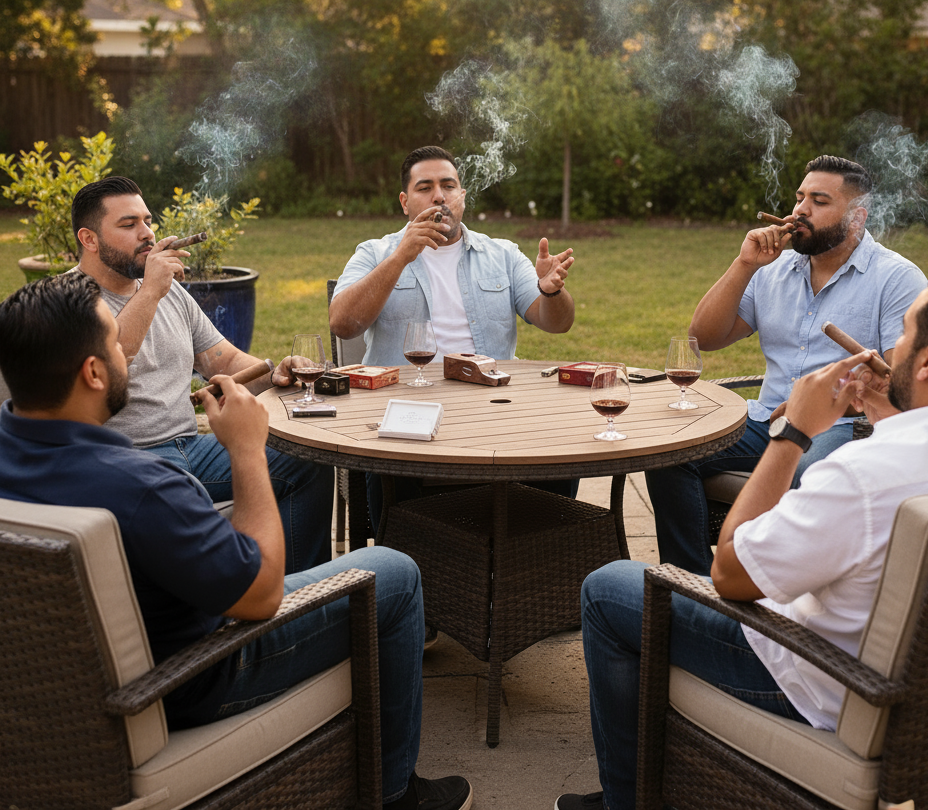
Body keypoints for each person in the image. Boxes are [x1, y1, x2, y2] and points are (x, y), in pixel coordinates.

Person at [557, 264, 928, 810]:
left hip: (829, 684)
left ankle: (628, 800)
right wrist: (892, 410)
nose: (891, 349)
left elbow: (730, 576)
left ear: (927, 361)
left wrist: (793, 433)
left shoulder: (863, 475)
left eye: (902, 334)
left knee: (610, 586)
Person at [0, 273, 472, 810]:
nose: (125, 354)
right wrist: (247, 449)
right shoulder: (141, 487)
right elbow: (263, 596)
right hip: (186, 679)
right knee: (393, 572)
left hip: (52, 684)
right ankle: (394, 794)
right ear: (91, 372)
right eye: (115, 343)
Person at [647, 154, 928, 573]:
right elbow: (703, 337)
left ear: (856, 218)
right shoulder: (770, 269)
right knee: (669, 453)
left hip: (846, 427)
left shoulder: (895, 279)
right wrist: (744, 265)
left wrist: (832, 401)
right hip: (768, 420)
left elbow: (901, 385)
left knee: (811, 478)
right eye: (799, 198)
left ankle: (775, 588)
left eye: (818, 200)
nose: (800, 210)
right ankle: (691, 585)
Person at [71, 176, 333, 574]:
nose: (147, 233)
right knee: (184, 496)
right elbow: (111, 362)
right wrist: (150, 292)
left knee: (306, 460)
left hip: (192, 448)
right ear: (89, 239)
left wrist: (273, 372)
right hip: (130, 458)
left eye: (147, 220)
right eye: (128, 225)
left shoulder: (170, 293)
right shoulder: (66, 302)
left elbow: (222, 361)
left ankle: (304, 591)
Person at [330, 145, 578, 526]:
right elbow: (342, 323)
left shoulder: (504, 255)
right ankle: (407, 565)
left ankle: (528, 561)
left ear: (462, 195)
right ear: (404, 201)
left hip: (493, 408)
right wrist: (401, 257)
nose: (439, 195)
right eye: (424, 187)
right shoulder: (375, 253)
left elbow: (556, 322)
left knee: (562, 455)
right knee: (391, 465)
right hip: (406, 412)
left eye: (448, 185)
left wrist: (551, 291)